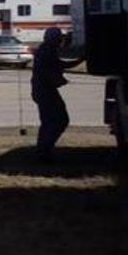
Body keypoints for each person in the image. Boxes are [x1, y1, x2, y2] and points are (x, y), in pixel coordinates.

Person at [30, 26, 84, 159]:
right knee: (60, 120)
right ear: (54, 39)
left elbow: (60, 65)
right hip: (45, 91)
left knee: (48, 121)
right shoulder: (47, 51)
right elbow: (49, 70)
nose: (61, 40)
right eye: (59, 38)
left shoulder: (46, 50)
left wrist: (80, 60)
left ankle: (43, 150)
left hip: (42, 90)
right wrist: (57, 80)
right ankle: (44, 149)